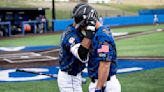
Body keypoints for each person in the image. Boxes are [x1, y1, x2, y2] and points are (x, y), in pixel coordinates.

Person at [57, 3, 97, 92]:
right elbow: (82, 54)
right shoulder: (71, 35)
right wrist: (90, 30)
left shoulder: (74, 31)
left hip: (72, 76)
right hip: (70, 77)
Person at [86, 5, 121, 92]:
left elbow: (105, 64)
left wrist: (98, 88)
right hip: (103, 82)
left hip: (104, 84)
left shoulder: (102, 36)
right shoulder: (100, 32)